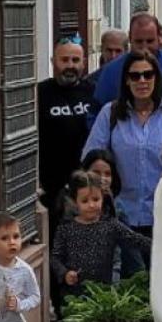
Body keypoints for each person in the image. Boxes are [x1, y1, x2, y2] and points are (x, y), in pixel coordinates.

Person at [51, 171, 153, 322]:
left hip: (103, 294)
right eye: (85, 201)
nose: (91, 205)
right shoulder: (66, 229)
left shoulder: (111, 226)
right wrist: (64, 273)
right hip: (74, 294)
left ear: (103, 198)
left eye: (96, 199)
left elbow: (136, 240)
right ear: (74, 202)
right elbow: (55, 257)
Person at [83, 50, 162, 278]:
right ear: (126, 80)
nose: (142, 81)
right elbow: (90, 159)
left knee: (161, 283)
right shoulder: (110, 113)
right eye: (135, 76)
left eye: (148, 75)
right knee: (126, 286)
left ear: (156, 77)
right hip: (121, 216)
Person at [37, 36, 95, 238]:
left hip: (88, 190)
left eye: (75, 60)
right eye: (65, 60)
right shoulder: (40, 94)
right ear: (53, 62)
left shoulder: (94, 93)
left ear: (84, 63)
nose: (70, 66)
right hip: (51, 191)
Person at [92, 13, 162, 112]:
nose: (144, 47)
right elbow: (95, 112)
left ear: (159, 38)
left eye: (150, 41)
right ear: (130, 38)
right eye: (139, 41)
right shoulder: (111, 71)